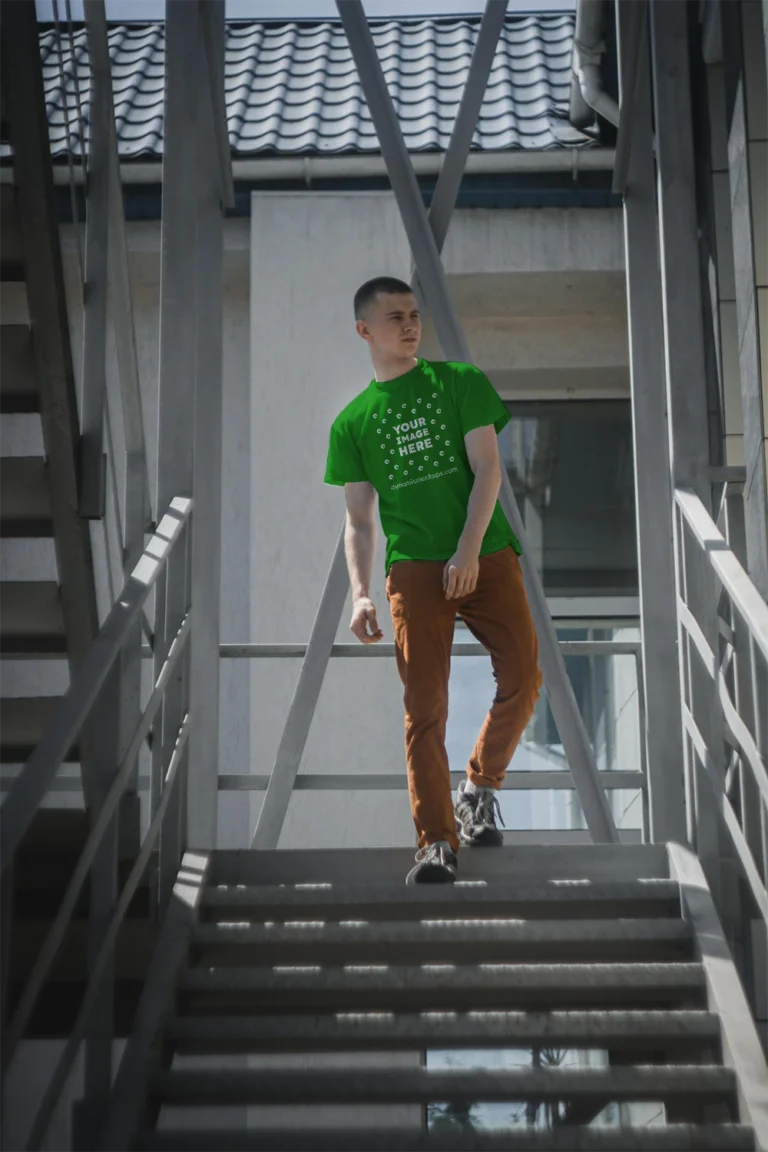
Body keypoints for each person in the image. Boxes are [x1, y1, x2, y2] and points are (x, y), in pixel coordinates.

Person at [324, 276, 542, 885]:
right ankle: (436, 843)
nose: (411, 324)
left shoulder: (460, 383)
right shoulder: (353, 423)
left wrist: (469, 550)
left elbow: (489, 471)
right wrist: (361, 591)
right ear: (365, 330)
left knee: (524, 676)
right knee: (425, 707)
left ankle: (478, 786)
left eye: (415, 314)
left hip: (487, 553)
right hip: (414, 570)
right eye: (395, 317)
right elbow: (359, 519)